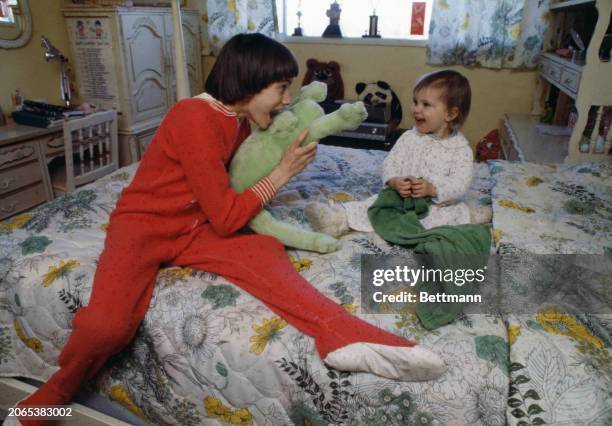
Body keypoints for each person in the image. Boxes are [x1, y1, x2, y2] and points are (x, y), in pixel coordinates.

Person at [8, 34, 445, 426]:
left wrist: (285, 153)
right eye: (281, 88)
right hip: (145, 226)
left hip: (193, 224)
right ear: (249, 83)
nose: (286, 98)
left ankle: (344, 334)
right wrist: (282, 173)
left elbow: (231, 188)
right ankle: (49, 399)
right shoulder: (193, 117)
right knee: (107, 328)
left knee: (265, 251)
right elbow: (227, 216)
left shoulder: (238, 120)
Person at [306, 69, 492, 236]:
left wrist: (434, 190)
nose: (416, 109)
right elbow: (391, 161)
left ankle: (470, 215)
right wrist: (393, 181)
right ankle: (337, 219)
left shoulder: (460, 150)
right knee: (374, 205)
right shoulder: (409, 137)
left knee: (446, 216)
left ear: (450, 115)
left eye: (426, 105)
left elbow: (461, 183)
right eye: (415, 102)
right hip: (399, 198)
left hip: (433, 203)